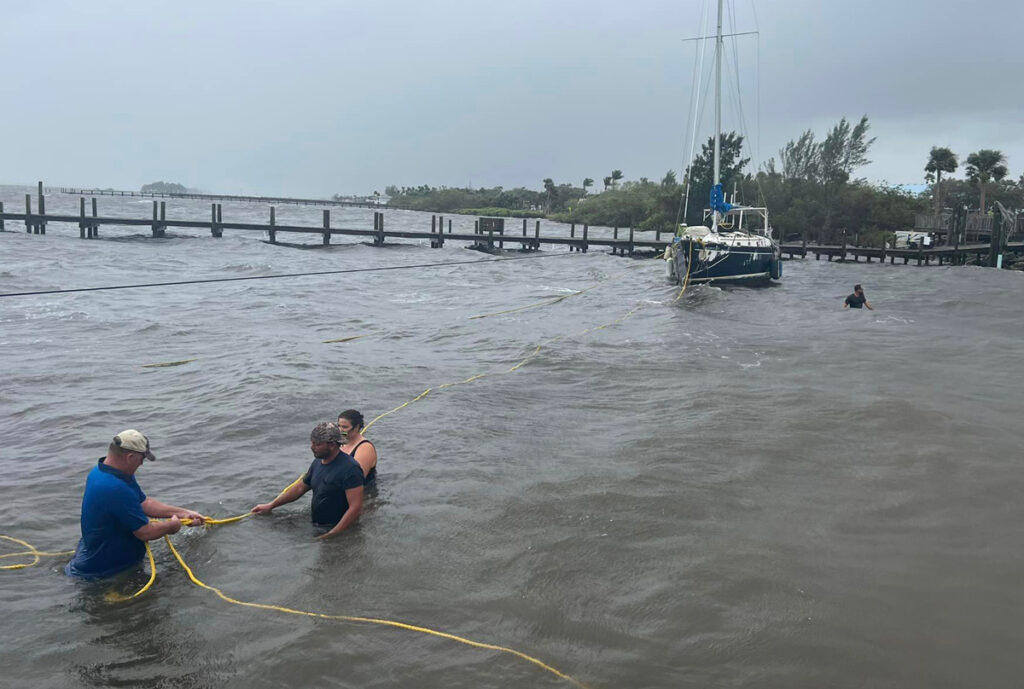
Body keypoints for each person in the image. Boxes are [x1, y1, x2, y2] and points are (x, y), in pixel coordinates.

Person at [66, 430, 206, 580]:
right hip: (103, 573)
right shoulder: (115, 487)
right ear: (130, 457)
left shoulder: (103, 472)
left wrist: (183, 513)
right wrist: (171, 526)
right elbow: (145, 532)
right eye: (142, 458)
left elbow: (144, 503)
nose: (142, 463)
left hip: (92, 558)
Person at [251, 422, 364, 539]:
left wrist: (333, 534)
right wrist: (271, 505)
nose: (312, 447)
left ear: (332, 445)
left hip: (342, 532)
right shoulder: (318, 462)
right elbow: (300, 488)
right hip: (318, 526)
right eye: (312, 442)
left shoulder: (350, 469)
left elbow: (355, 507)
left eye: (317, 444)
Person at [338, 409, 377, 486]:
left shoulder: (365, 448)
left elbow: (356, 480)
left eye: (345, 427)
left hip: (363, 492)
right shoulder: (339, 444)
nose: (340, 430)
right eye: (339, 426)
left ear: (356, 427)